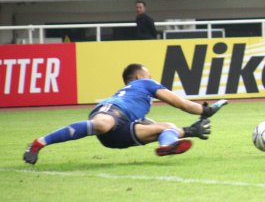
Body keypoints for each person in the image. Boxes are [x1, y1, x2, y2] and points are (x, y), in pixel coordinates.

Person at [23, 64, 228, 165]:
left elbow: (151, 127)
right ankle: (38, 143)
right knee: (102, 124)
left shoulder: (138, 101)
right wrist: (206, 110)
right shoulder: (144, 84)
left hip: (121, 133)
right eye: (149, 74)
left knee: (166, 126)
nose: (152, 77)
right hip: (112, 113)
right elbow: (181, 103)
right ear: (139, 76)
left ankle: (165, 146)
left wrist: (190, 131)